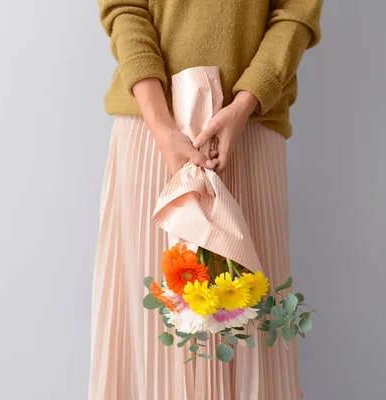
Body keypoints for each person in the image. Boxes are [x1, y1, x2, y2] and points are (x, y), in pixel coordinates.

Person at [88, 1, 323, 399]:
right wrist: (162, 126)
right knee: (152, 330)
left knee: (249, 320)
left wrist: (244, 103)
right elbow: (124, 8)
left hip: (248, 127)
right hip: (151, 130)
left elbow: (297, 11)